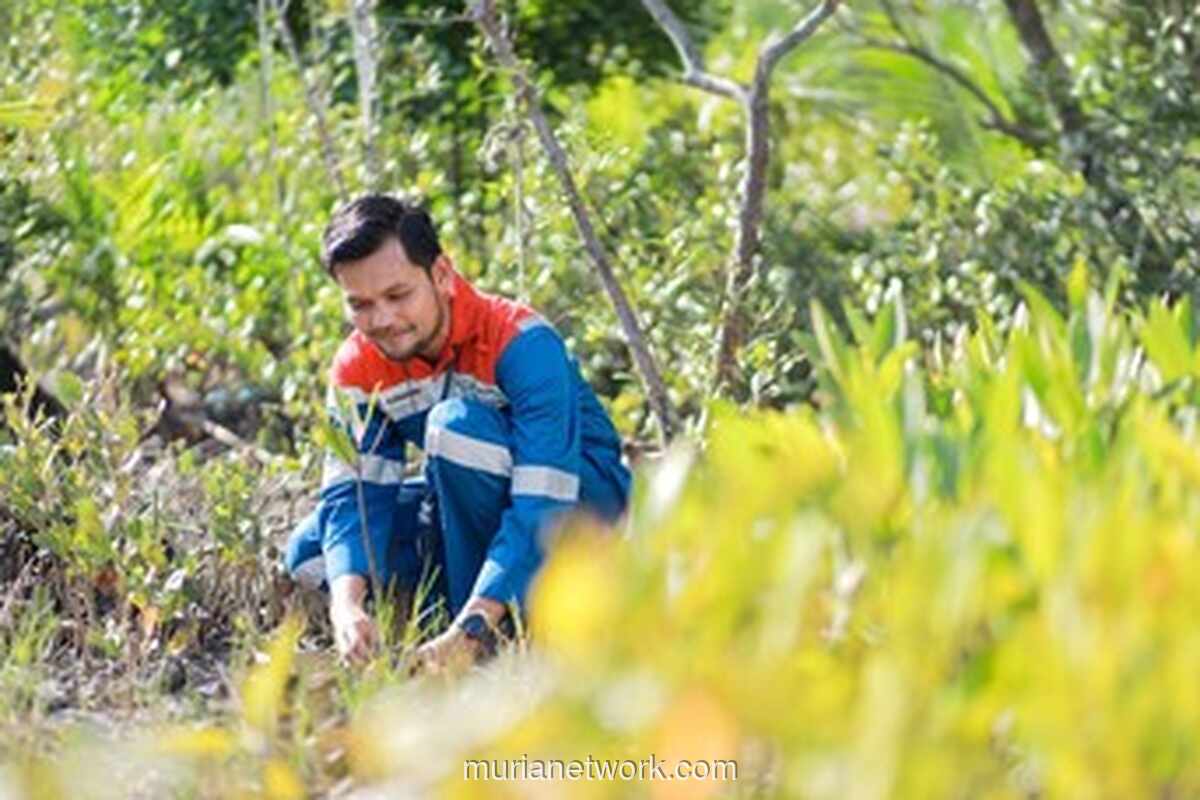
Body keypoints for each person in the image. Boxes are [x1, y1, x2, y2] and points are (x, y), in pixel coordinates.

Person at [283, 194, 631, 669]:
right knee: (311, 551)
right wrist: (347, 606)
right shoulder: (358, 363)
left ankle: (485, 633)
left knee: (456, 432)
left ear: (442, 276)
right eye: (360, 305)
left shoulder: (523, 343)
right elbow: (353, 497)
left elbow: (542, 502)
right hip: (464, 501)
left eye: (398, 295)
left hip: (575, 509)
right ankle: (426, 626)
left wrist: (471, 624)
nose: (382, 320)